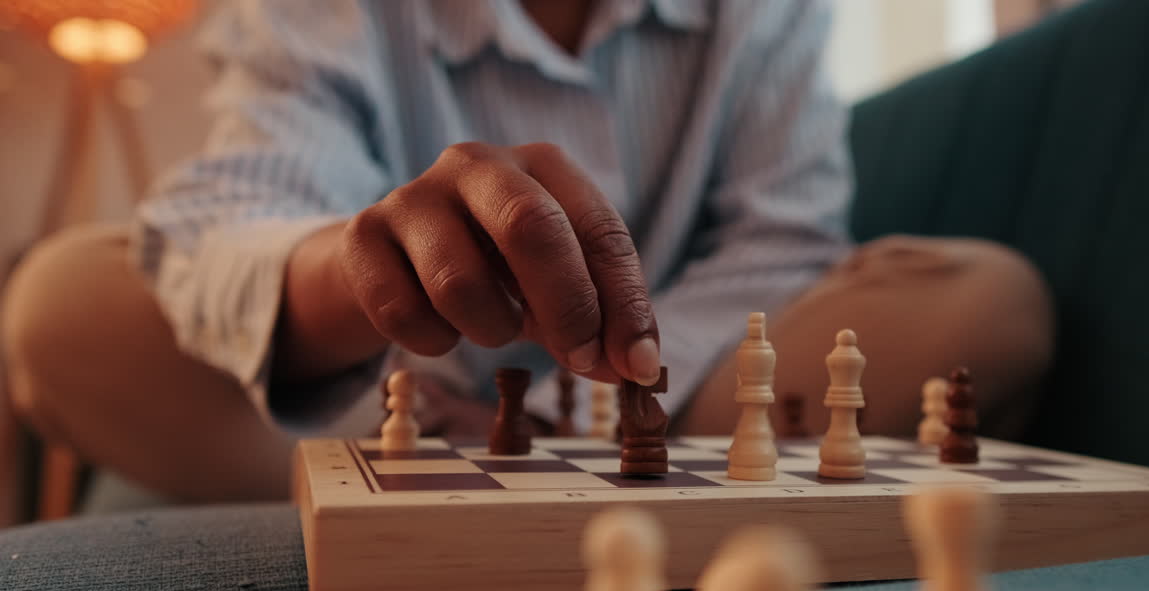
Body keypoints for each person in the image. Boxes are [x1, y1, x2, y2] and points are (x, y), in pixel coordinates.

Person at [2, 0, 1053, 503]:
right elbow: (245, 212)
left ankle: (464, 497)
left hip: (678, 399)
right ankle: (660, 510)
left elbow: (778, 241)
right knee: (61, 308)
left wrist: (572, 410)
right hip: (385, 407)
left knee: (977, 302)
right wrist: (369, 269)